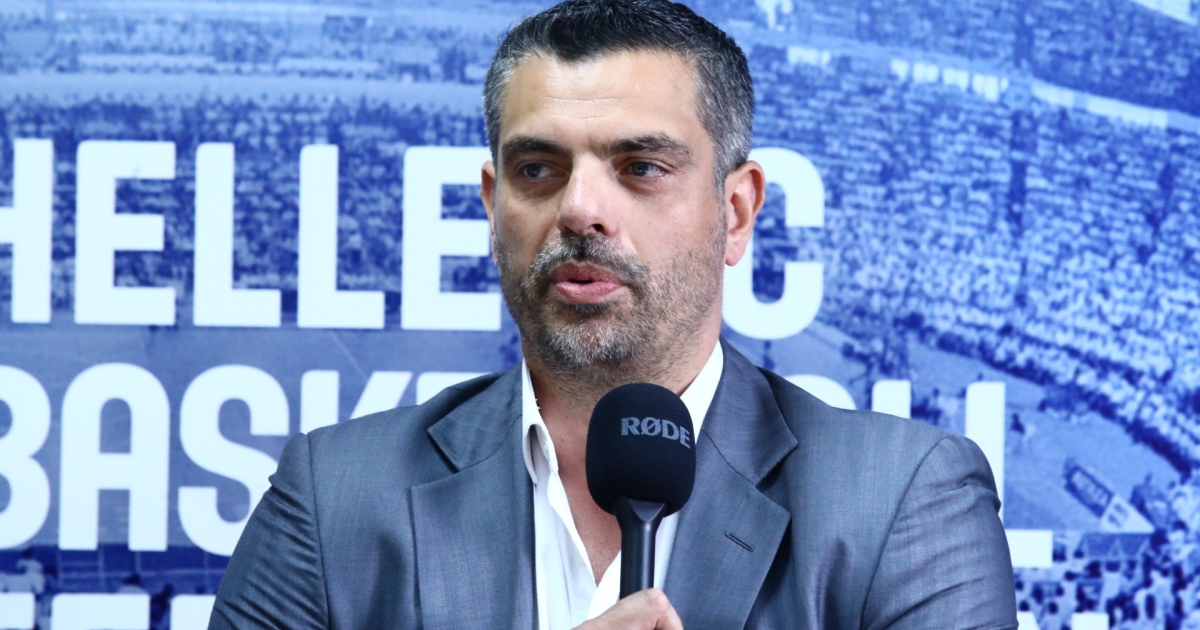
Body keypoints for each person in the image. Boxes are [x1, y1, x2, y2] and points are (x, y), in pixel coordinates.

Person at [209, 1, 1017, 628]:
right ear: (492, 206)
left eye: (640, 167)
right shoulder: (335, 499)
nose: (580, 209)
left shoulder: (902, 501)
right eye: (537, 168)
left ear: (736, 213)